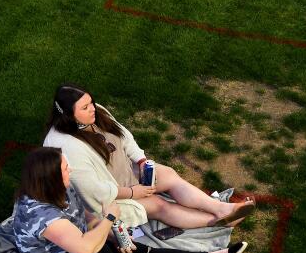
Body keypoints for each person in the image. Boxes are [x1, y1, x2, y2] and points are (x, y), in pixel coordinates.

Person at [12, 147, 248, 253]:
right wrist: (111, 217)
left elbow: (84, 217)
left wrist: (118, 237)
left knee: (134, 250)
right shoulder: (41, 216)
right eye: (65, 168)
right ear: (50, 178)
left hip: (79, 247)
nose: (70, 170)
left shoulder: (60, 188)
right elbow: (84, 248)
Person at [43, 83, 255, 228]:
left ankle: (222, 209)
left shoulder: (96, 113)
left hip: (124, 175)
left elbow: (123, 136)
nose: (93, 109)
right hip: (104, 199)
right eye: (85, 107)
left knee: (169, 175)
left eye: (91, 102)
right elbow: (92, 191)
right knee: (158, 205)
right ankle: (214, 221)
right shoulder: (66, 145)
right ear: (68, 115)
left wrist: (141, 161)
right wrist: (133, 192)